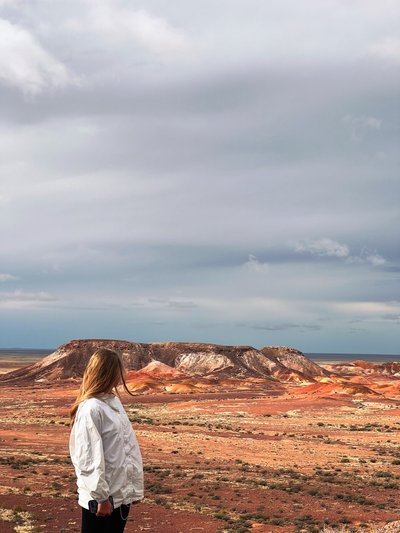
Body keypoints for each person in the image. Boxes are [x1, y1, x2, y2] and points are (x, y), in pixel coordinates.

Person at [69, 348, 144, 533]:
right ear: (109, 373)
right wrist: (101, 497)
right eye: (119, 370)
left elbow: (127, 448)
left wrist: (133, 489)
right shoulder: (92, 408)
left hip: (119, 495)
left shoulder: (113, 403)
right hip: (103, 501)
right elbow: (88, 457)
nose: (122, 375)